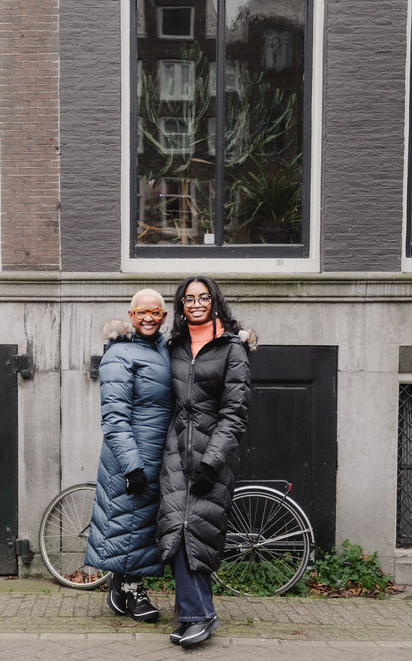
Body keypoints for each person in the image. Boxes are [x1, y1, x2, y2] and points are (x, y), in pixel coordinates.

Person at [157, 276, 252, 648]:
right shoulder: (174, 346)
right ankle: (192, 614)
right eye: (188, 298)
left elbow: (235, 413)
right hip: (175, 451)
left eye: (203, 297)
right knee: (176, 528)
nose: (196, 303)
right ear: (181, 305)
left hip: (211, 452)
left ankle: (201, 615)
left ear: (214, 301)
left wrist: (212, 462)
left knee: (195, 527)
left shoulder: (232, 349)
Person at [83, 288, 173, 623]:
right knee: (131, 522)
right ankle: (133, 591)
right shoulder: (119, 354)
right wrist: (132, 465)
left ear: (164, 317)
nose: (149, 318)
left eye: (156, 312)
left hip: (158, 452)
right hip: (131, 456)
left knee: (140, 524)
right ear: (131, 315)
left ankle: (120, 586)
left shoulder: (165, 349)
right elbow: (114, 417)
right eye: (141, 312)